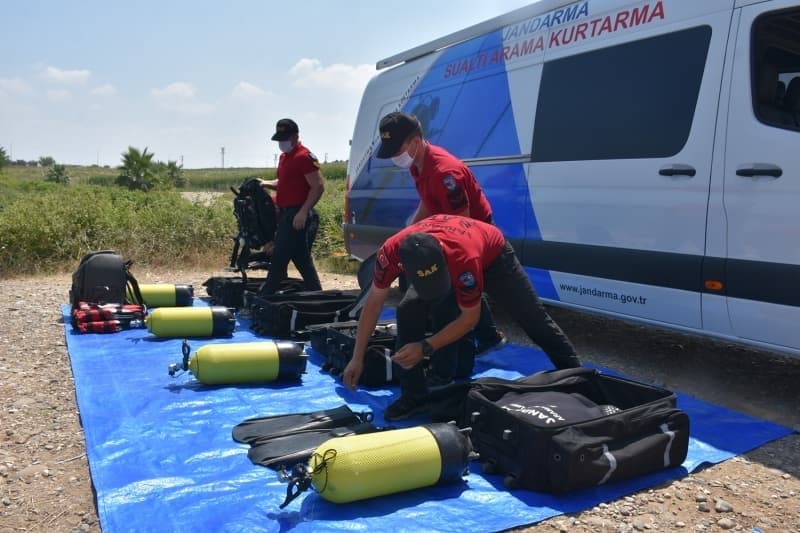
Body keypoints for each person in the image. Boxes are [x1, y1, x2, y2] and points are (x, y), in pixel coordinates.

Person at [342, 214, 581, 421]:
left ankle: (579, 378)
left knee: (533, 318)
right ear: (405, 268)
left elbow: (470, 319)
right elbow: (373, 305)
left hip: (493, 255)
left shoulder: (464, 258)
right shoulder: (389, 254)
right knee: (408, 309)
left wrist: (425, 347)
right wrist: (357, 357)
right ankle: (414, 396)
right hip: (448, 253)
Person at [375, 111, 505, 360]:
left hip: (471, 234)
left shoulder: (445, 172)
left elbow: (463, 224)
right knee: (463, 289)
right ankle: (488, 336)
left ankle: (467, 346)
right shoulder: (418, 164)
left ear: (415, 142)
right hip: (448, 229)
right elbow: (429, 200)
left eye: (396, 149)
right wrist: (410, 231)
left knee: (456, 290)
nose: (394, 156)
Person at [257, 118, 324, 295]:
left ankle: (265, 296)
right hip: (286, 213)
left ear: (295, 136)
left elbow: (317, 186)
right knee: (301, 258)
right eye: (279, 139)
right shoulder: (284, 157)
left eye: (285, 139)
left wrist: (303, 212)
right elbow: (284, 183)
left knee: (278, 258)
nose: (282, 143)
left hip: (297, 214)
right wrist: (265, 183)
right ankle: (316, 294)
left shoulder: (304, 157)